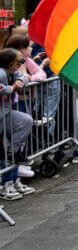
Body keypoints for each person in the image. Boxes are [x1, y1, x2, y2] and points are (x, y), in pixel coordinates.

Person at [0, 48, 35, 200]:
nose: (21, 64)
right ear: (10, 62)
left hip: (6, 113)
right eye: (19, 61)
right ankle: (5, 184)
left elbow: (23, 76)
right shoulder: (1, 73)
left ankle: (13, 154)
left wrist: (20, 80)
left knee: (26, 120)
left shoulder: (10, 72)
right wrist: (12, 87)